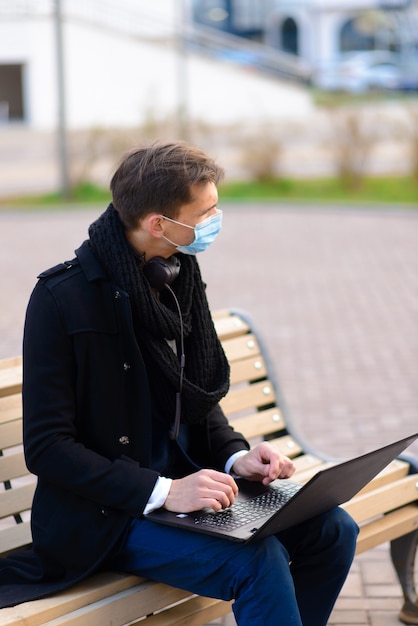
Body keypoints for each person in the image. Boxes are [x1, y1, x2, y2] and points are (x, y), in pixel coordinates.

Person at [0, 141, 358, 624]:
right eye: (205, 212)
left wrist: (237, 456)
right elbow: (47, 447)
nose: (215, 219)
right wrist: (164, 492)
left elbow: (195, 396)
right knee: (258, 560)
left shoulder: (177, 273)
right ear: (157, 224)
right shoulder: (62, 299)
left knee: (333, 528)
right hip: (109, 516)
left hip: (187, 494)